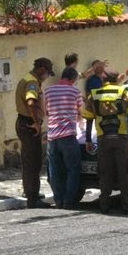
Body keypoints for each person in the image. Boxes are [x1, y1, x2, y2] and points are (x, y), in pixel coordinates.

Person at [83, 70, 128, 214]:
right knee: (124, 172)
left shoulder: (94, 94)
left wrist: (88, 140)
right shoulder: (124, 93)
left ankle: (104, 205)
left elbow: (89, 119)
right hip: (121, 137)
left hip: (103, 138)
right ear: (117, 79)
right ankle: (127, 205)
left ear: (104, 80)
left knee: (104, 172)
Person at [15, 57, 54, 209]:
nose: (47, 77)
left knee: (28, 160)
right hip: (29, 125)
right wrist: (36, 123)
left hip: (23, 122)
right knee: (34, 162)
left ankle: (30, 192)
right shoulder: (31, 82)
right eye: (48, 74)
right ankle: (33, 198)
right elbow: (31, 102)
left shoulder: (26, 78)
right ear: (42, 70)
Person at [45, 67, 84, 209]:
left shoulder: (48, 91)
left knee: (54, 169)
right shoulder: (75, 92)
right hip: (68, 136)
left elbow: (47, 112)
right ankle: (69, 201)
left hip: (52, 136)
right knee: (73, 169)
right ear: (73, 80)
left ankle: (59, 200)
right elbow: (82, 112)